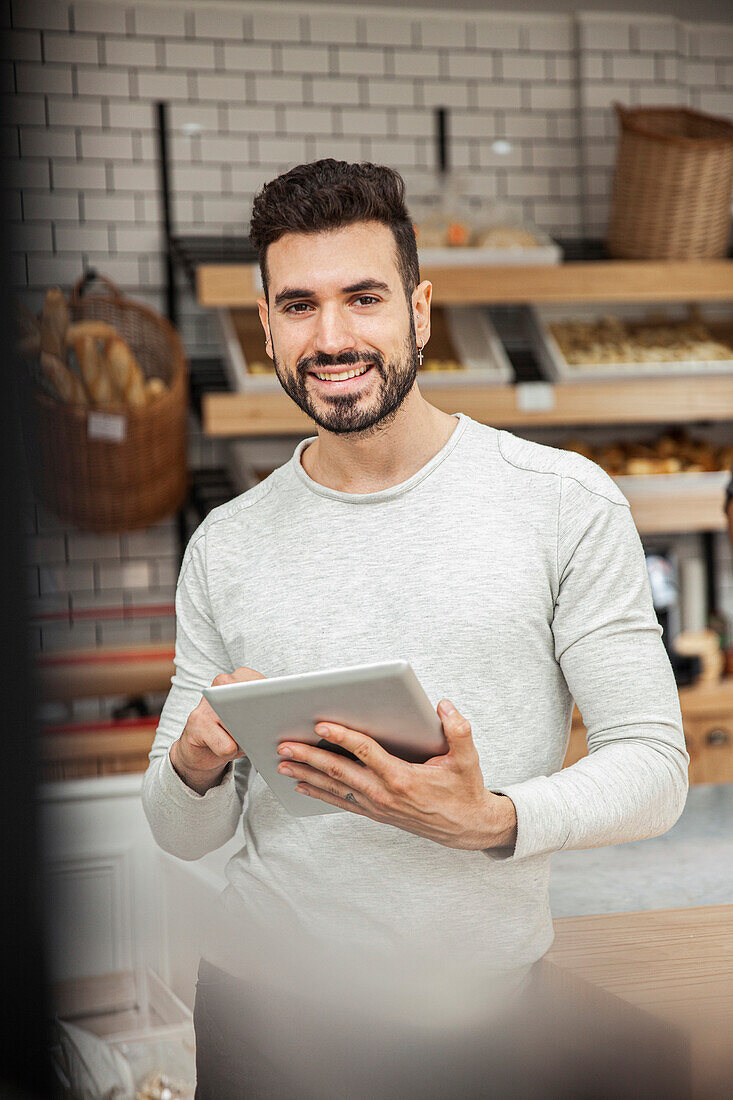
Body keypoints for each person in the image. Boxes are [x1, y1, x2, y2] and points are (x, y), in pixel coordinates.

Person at [142, 160, 689, 1098]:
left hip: (473, 1018)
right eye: (300, 305)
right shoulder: (226, 545)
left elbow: (654, 767)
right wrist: (193, 761)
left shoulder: (558, 504)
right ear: (264, 323)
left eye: (363, 298)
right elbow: (179, 831)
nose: (333, 336)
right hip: (260, 1010)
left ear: (420, 309)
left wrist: (492, 821)